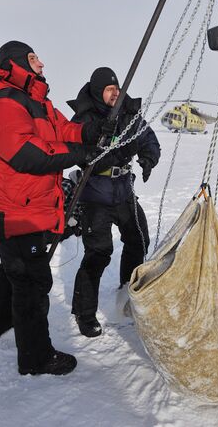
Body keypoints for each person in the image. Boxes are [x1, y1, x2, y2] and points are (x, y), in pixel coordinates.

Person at [0, 40, 113, 375]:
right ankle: (35, 358)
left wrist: (91, 131)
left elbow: (65, 129)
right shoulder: (6, 101)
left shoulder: (38, 101)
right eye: (34, 59)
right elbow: (26, 153)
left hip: (32, 208)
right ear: (16, 62)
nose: (42, 64)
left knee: (24, 279)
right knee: (31, 284)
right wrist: (81, 155)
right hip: (16, 212)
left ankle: (17, 333)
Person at [68, 67, 160, 338]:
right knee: (98, 253)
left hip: (123, 192)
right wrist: (106, 150)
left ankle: (126, 290)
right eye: (109, 89)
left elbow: (149, 139)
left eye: (117, 88)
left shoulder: (129, 114)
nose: (115, 93)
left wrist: (147, 159)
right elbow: (78, 153)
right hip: (95, 195)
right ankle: (84, 313)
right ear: (98, 92)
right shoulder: (84, 118)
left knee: (138, 238)